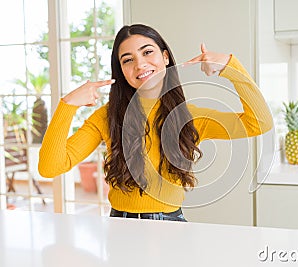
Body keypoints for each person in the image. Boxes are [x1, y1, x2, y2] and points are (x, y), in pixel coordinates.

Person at [39, 24, 273, 222]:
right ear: (121, 71)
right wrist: (67, 105)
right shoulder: (106, 116)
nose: (140, 65)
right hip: (120, 224)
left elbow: (259, 123)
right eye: (128, 59)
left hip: (171, 223)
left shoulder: (189, 116)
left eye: (147, 52)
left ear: (165, 56)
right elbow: (50, 167)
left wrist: (231, 67)